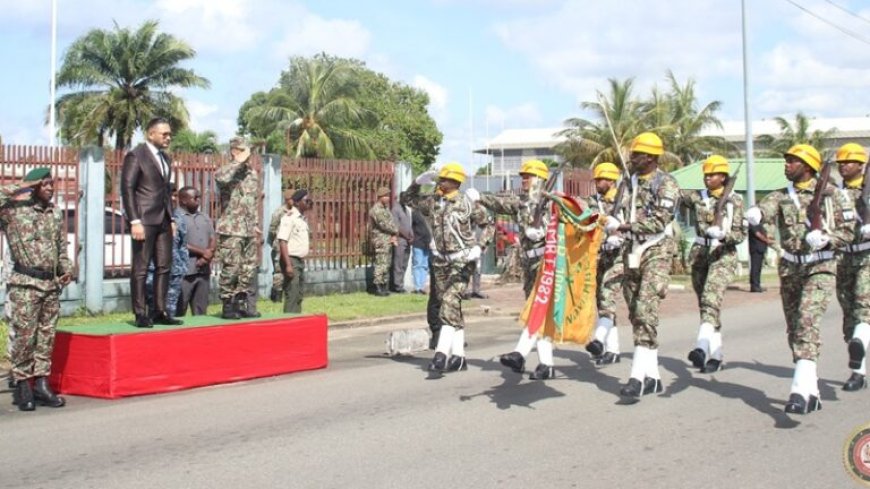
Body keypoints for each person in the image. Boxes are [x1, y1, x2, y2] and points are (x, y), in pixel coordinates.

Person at [747, 143, 854, 414]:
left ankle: (798, 391)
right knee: (795, 328)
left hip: (821, 267)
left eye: (792, 161)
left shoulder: (833, 195)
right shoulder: (781, 196)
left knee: (807, 321)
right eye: (787, 161)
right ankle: (811, 389)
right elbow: (765, 210)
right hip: (791, 268)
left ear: (807, 167)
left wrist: (829, 240)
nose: (786, 165)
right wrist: (756, 214)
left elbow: (850, 231)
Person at [603, 132, 681, 400]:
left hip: (656, 249)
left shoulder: (667, 184)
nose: (631, 158)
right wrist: (612, 228)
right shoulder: (627, 183)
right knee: (637, 313)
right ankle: (654, 377)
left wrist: (623, 226)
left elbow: (659, 220)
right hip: (630, 250)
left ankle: (636, 377)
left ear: (649, 157)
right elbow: (615, 210)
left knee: (646, 308)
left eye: (636, 154)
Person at [402, 162, 492, 373]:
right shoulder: (433, 202)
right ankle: (459, 357)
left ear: (455, 182)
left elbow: (488, 224)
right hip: (440, 260)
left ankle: (441, 354)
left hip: (462, 259)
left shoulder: (467, 203)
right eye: (439, 179)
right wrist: (417, 183)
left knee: (449, 303)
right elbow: (406, 200)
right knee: (450, 306)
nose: (440, 182)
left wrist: (480, 246)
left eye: (444, 179)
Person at [472, 160, 559, 378]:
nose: (524, 180)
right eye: (523, 176)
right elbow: (500, 204)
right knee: (537, 311)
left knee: (536, 310)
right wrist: (480, 197)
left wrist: (545, 232)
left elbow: (571, 222)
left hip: (547, 263)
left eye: (528, 176)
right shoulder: (521, 202)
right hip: (529, 264)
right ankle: (546, 364)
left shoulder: (553, 202)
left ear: (539, 178)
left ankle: (520, 353)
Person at [0, 168, 72, 411]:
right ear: (33, 186)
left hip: (50, 285)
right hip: (25, 284)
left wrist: (66, 268)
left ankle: (41, 384)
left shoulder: (54, 213)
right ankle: (22, 384)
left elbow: (61, 245)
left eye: (52, 184)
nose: (50, 188)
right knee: (24, 336)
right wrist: (22, 185)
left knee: (46, 337)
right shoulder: (13, 210)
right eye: (44, 184)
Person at [680, 155, 746, 373]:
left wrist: (724, 236)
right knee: (706, 305)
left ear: (723, 177)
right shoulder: (698, 198)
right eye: (706, 175)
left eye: (713, 175)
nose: (708, 179)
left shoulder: (734, 200)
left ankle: (700, 347)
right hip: (700, 253)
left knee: (711, 296)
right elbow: (676, 195)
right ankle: (716, 356)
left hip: (723, 254)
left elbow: (740, 233)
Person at [121, 117, 181, 327]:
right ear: (150, 134)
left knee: (164, 266)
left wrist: (172, 217)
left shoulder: (166, 158)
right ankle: (140, 313)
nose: (168, 138)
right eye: (164, 134)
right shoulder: (136, 155)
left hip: (164, 218)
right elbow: (127, 189)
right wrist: (134, 220)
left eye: (169, 134)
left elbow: (166, 191)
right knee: (141, 267)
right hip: (144, 219)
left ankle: (160, 310)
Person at [834, 143, 870, 392]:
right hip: (842, 258)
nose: (843, 166)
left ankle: (858, 369)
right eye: (841, 163)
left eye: (849, 162)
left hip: (868, 256)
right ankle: (859, 363)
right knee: (849, 314)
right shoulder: (833, 193)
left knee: (863, 306)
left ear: (861, 165)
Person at [584, 162, 627, 366]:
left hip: (622, 256)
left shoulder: (626, 199)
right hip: (601, 257)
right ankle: (613, 350)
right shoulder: (594, 202)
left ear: (611, 181)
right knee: (602, 302)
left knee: (608, 295)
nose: (597, 183)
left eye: (600, 180)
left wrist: (622, 236)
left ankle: (599, 340)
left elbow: (637, 224)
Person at [215, 137, 260, 320]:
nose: (249, 154)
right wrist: (238, 161)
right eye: (244, 150)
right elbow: (221, 178)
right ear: (234, 151)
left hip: (248, 228)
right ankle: (228, 304)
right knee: (231, 268)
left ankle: (241, 303)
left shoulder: (252, 173)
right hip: (232, 228)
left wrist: (256, 223)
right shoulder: (227, 171)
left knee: (247, 269)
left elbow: (253, 201)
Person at [177, 187, 215, 316]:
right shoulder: (176, 218)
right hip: (185, 271)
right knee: (179, 309)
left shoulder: (204, 217)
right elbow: (178, 242)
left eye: (199, 197)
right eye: (195, 198)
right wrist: (203, 252)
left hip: (203, 269)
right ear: (183, 200)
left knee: (201, 310)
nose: (198, 200)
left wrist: (205, 258)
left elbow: (213, 238)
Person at [277, 189, 312, 313]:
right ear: (297, 202)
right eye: (306, 201)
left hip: (299, 261)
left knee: (299, 294)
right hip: (291, 260)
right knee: (292, 294)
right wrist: (288, 265)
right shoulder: (289, 218)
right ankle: (288, 324)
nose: (309, 204)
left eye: (310, 201)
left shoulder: (301, 219)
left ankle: (296, 322)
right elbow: (282, 242)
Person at [368, 186, 399, 297]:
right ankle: (378, 288)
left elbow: (390, 222)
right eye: (385, 196)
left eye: (388, 195)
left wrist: (394, 234)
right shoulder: (376, 210)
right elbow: (384, 224)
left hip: (387, 239)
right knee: (381, 263)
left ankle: (384, 286)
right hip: (381, 240)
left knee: (387, 263)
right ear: (380, 197)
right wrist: (396, 231)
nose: (387, 198)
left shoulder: (385, 208)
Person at [268, 189, 295, 302]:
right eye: (292, 199)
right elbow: (272, 229)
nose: (294, 201)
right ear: (287, 199)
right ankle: (277, 295)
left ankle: (290, 293)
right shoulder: (279, 212)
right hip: (279, 245)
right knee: (279, 270)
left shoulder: (295, 212)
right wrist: (277, 241)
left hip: (292, 245)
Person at [390, 197, 413, 293]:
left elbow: (409, 225)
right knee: (398, 263)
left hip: (408, 241)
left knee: (404, 263)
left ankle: (401, 283)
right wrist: (406, 236)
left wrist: (412, 236)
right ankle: (397, 286)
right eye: (406, 199)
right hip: (400, 239)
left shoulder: (407, 210)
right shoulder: (396, 209)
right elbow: (396, 226)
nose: (408, 201)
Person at [748, 221, 773, 293]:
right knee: (755, 268)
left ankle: (757, 285)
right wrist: (766, 240)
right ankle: (754, 286)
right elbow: (757, 234)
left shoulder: (759, 223)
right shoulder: (753, 224)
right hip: (756, 248)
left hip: (760, 248)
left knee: (758, 269)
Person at [410, 209, 431, 294]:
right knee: (417, 265)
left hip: (427, 243)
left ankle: (422, 287)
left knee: (425, 266)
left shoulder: (428, 214)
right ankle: (417, 287)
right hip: (418, 242)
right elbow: (410, 226)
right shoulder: (415, 214)